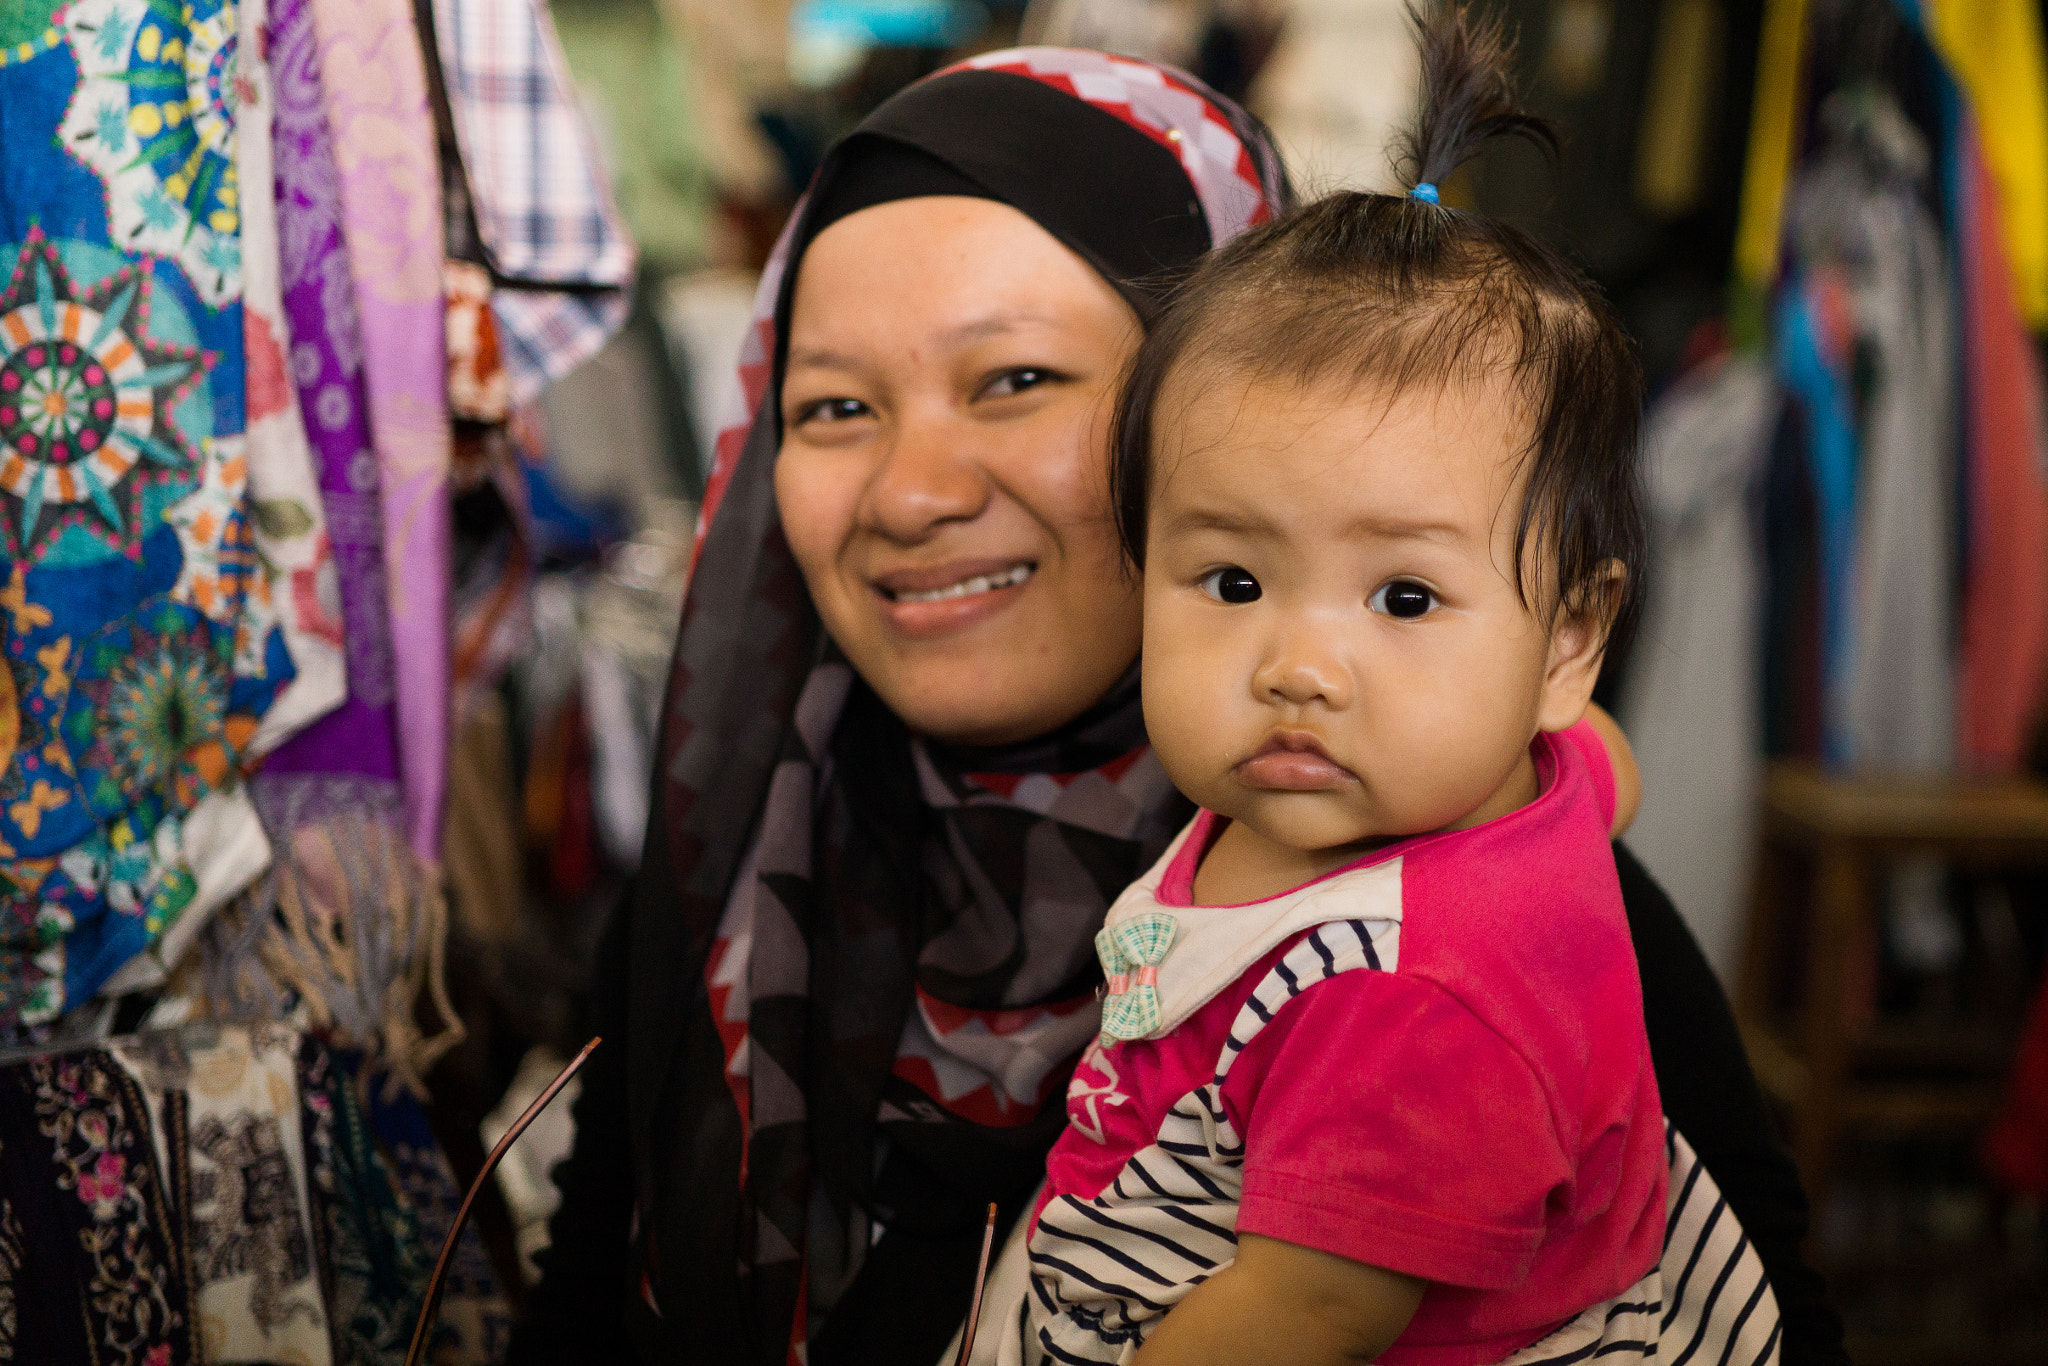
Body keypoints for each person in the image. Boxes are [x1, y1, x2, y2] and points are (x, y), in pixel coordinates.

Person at [510, 45, 1847, 1366]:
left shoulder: (1494, 925)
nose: (911, 491)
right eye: (837, 405)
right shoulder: (730, 879)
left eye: (1017, 379)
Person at [1018, 13, 1683, 1363]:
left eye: (1403, 599)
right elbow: (1602, 767)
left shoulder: (1407, 994)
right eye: (1234, 582)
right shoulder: (1514, 766)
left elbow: (1305, 1312)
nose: (1300, 667)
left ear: (1569, 635)